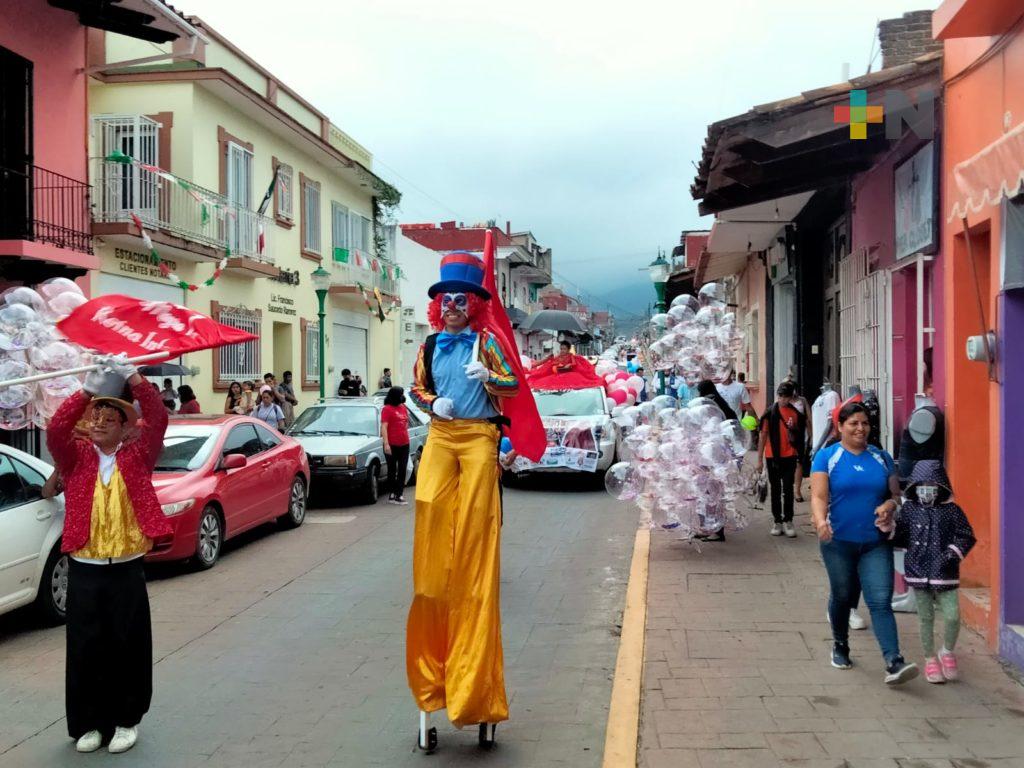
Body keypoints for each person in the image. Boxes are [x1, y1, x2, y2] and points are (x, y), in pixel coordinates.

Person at [407, 251, 519, 750]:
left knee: (474, 536)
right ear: (437, 307)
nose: (451, 306)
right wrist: (434, 404)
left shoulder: (486, 342)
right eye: (444, 300)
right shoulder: (430, 345)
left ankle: (475, 685)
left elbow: (515, 384)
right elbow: (415, 389)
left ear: (472, 304)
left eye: (459, 299)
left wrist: (488, 379)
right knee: (429, 510)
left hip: (478, 439)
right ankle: (434, 669)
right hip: (440, 434)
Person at [46, 355, 171, 754]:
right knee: (86, 646)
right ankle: (88, 724)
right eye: (94, 417)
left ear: (124, 427)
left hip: (126, 569)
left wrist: (132, 375)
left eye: (108, 419)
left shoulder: (136, 458)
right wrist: (87, 386)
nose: (98, 423)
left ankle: (125, 720)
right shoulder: (75, 459)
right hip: (84, 569)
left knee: (127, 644)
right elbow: (56, 428)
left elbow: (157, 415)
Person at [810, 402, 918, 685]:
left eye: (865, 424)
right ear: (840, 427)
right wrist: (821, 522)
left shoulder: (881, 457)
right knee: (843, 595)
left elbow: (896, 496)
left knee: (880, 601)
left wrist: (888, 505)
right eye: (854, 423)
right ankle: (840, 644)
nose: (861, 428)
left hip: (875, 543)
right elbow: (819, 496)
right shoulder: (827, 457)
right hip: (838, 542)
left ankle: (893, 661)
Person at [887, 461, 975, 683]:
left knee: (953, 615)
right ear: (915, 487)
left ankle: (947, 650)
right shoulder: (909, 510)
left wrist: (951, 555)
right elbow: (901, 537)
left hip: (945, 572)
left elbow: (966, 535)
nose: (927, 489)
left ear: (941, 486)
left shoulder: (952, 511)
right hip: (917, 570)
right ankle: (929, 659)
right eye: (922, 484)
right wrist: (888, 529)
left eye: (932, 484)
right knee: (925, 617)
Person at [757, 381, 804, 538]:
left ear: (791, 398)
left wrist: (799, 453)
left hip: (789, 455)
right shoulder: (770, 413)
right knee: (775, 490)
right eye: (780, 396)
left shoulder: (795, 414)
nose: (782, 399)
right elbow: (763, 436)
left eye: (786, 397)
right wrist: (759, 459)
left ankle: (788, 520)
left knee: (788, 490)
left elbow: (798, 434)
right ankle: (777, 521)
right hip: (773, 456)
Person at [381, 386, 411, 505]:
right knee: (392, 469)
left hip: (404, 443)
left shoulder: (403, 407)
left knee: (402, 469)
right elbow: (384, 426)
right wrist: (386, 443)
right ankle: (392, 493)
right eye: (400, 394)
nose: (402, 397)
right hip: (391, 444)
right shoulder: (387, 409)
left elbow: (406, 422)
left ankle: (400, 494)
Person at [787, 379, 814, 502]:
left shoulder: (801, 401)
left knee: (799, 463)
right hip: (785, 437)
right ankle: (787, 488)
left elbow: (809, 419)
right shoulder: (782, 400)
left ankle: (797, 490)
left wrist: (811, 435)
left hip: (799, 436)